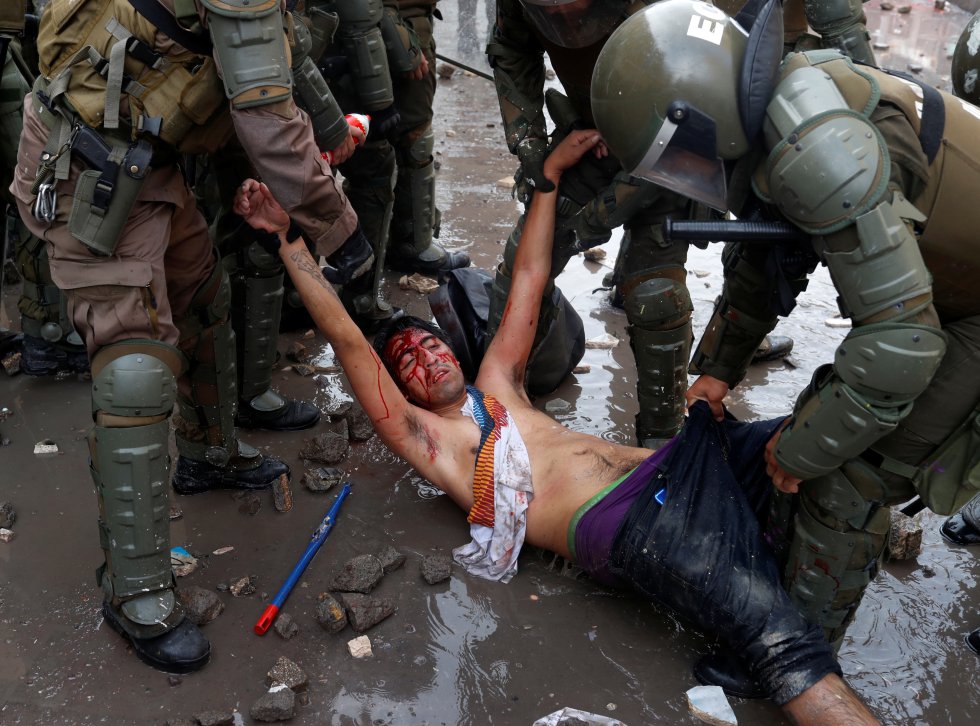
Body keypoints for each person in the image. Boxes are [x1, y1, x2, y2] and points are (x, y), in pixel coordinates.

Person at [234, 128, 879, 724]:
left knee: (823, 432)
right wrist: (290, 241)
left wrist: (547, 178)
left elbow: (530, 278)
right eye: (406, 361)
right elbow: (349, 342)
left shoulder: (497, 385)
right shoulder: (439, 446)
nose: (423, 355)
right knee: (780, 644)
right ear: (404, 396)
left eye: (428, 345)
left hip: (682, 465)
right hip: (632, 522)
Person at [590, 0, 980, 679]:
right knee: (819, 428)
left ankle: (791, 656)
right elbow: (768, 262)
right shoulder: (780, 102)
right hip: (946, 284)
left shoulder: (818, 151)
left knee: (849, 470)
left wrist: (802, 452)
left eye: (678, 156)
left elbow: (900, 346)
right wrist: (716, 367)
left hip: (962, 305)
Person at [8, 0, 376, 673]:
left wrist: (327, 130)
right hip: (89, 167)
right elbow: (266, 120)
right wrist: (338, 229)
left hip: (144, 160)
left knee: (202, 297)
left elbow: (275, 62)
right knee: (135, 363)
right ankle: (136, 590)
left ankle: (209, 453)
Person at [486, 0, 811, 448]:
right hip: (588, 134)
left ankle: (662, 440)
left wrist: (595, 219)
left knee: (655, 292)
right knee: (520, 267)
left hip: (676, 142)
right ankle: (505, 395)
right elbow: (510, 48)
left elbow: (687, 121)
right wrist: (531, 148)